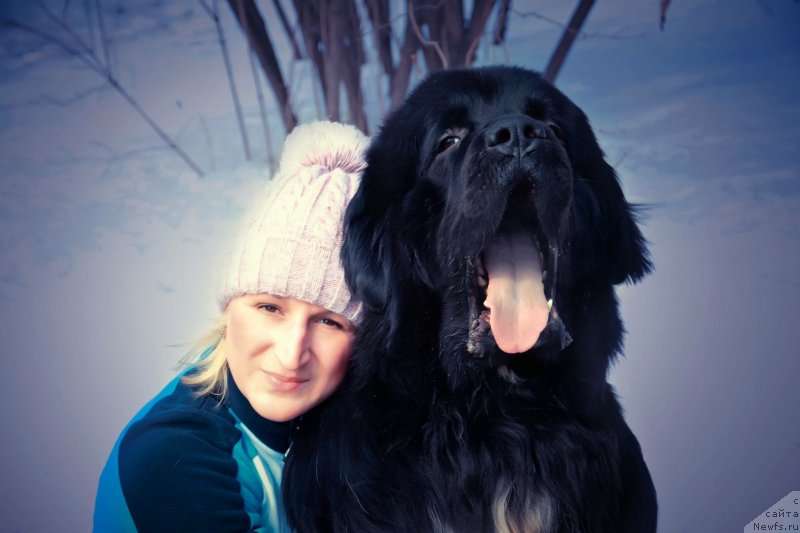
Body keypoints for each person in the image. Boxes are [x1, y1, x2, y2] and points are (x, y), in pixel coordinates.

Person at [93, 121, 368, 532]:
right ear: (229, 312)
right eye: (270, 307)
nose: (291, 352)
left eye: (329, 321)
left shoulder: (333, 418)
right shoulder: (176, 456)